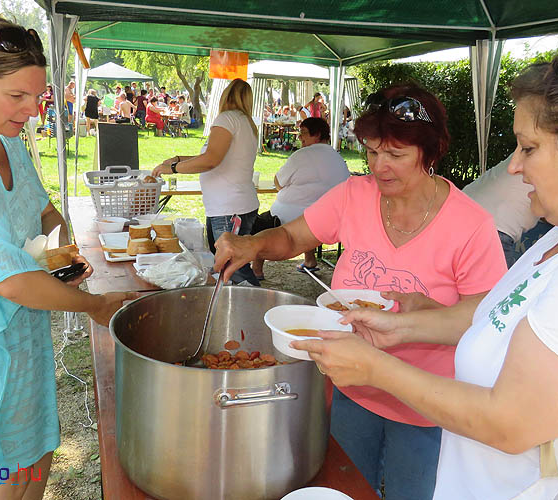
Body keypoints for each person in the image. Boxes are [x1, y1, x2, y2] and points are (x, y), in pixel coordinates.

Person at [288, 35, 558, 500]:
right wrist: (397, 328)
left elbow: (507, 422)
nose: (516, 168)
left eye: (528, 147)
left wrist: (374, 368)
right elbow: (491, 316)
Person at [214, 83, 507, 499]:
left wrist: (425, 313)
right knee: (344, 487)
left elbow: (487, 317)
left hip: (426, 405)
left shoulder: (470, 224)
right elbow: (295, 237)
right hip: (351, 388)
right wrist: (254, 244)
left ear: (429, 152)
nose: (379, 167)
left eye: (395, 155)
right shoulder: (356, 194)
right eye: (371, 152)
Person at [0, 14, 137, 500]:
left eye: (37, 96)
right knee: (8, 477)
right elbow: (11, 283)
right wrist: (97, 306)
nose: (32, 110)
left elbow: (44, 210)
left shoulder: (1, 139)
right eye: (17, 96)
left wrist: (57, 252)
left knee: (36, 457)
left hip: (24, 335)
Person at [153, 78, 261, 286]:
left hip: (230, 207)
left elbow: (211, 160)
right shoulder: (244, 122)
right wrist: (178, 159)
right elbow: (213, 156)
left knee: (232, 266)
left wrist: (174, 168)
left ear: (225, 96)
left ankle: (255, 310)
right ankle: (237, 306)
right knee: (226, 262)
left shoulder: (227, 119)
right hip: (233, 205)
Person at [251, 117, 350, 279]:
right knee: (309, 213)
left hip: (288, 218)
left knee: (261, 226)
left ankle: (257, 269)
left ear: (317, 135)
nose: (299, 137)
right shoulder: (337, 157)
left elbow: (278, 182)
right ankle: (310, 260)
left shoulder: (302, 155)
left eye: (303, 133)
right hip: (330, 220)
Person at [463, 154, 541, 267]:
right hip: (492, 229)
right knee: (499, 284)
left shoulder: (532, 148)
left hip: (464, 210)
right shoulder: (547, 156)